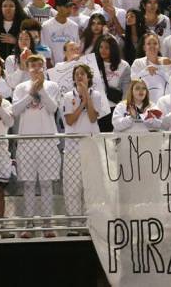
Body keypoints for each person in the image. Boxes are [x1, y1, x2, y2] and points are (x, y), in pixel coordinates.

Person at [12, 55, 61, 238]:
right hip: (26, 140)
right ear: (27, 67)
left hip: (47, 140)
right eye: (32, 65)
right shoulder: (20, 87)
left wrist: (41, 90)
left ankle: (48, 223)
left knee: (47, 183)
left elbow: (52, 108)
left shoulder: (52, 86)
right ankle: (29, 222)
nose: (36, 68)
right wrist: (31, 92)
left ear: (44, 67)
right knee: (29, 184)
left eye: (39, 65)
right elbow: (15, 110)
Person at [62, 64, 110, 232]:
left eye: (83, 74)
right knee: (73, 187)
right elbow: (70, 121)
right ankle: (75, 224)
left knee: (90, 186)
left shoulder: (96, 95)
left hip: (90, 147)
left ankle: (91, 224)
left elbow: (92, 118)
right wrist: (81, 102)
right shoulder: (68, 96)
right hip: (73, 148)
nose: (80, 77)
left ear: (88, 78)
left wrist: (87, 98)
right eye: (77, 74)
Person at [40, 0, 80, 64]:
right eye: (66, 6)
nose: (69, 9)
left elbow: (76, 49)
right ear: (58, 7)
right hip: (53, 69)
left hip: (71, 66)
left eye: (70, 6)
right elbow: (44, 50)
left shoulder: (74, 26)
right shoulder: (46, 26)